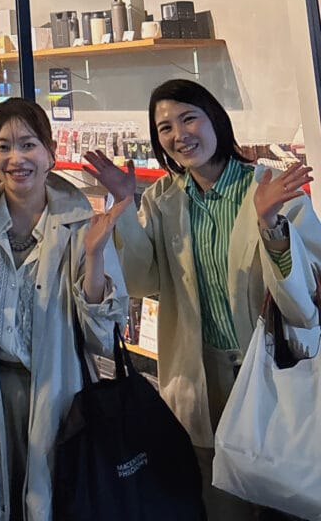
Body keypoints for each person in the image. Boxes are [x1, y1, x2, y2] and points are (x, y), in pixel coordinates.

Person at [83, 77, 321, 521]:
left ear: (215, 119)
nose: (179, 135)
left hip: (270, 372)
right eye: (165, 127)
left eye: (188, 118)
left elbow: (304, 302)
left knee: (285, 497)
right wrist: (123, 203)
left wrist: (270, 224)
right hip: (200, 377)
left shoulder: (266, 187)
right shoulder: (163, 199)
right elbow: (142, 280)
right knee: (219, 502)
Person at [0, 97, 129, 521]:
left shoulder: (81, 225)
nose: (16, 158)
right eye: (3, 146)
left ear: (50, 153)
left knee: (54, 501)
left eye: (28, 144)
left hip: (59, 392)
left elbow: (102, 337)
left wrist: (93, 258)